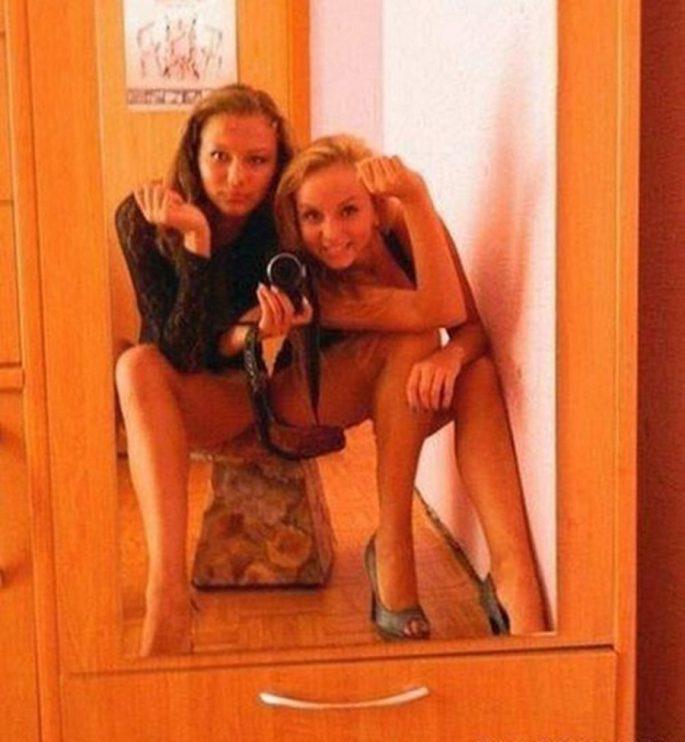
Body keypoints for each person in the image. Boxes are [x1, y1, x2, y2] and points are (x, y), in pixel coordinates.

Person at [115, 86, 465, 655]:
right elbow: (174, 349)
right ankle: (167, 591)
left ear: (277, 161)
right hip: (194, 387)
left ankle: (395, 549)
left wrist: (264, 333)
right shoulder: (143, 217)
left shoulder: (285, 226)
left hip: (265, 388)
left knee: (421, 342)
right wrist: (197, 242)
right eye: (220, 156)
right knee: (135, 365)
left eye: (257, 160)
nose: (237, 177)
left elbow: (426, 312)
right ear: (193, 152)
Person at [273, 134, 548, 635]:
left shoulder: (408, 226)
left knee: (478, 375)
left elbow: (470, 328)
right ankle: (393, 544)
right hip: (312, 397)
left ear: (377, 208)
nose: (331, 233)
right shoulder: (314, 282)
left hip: (397, 391)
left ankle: (513, 569)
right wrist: (418, 195)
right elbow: (434, 312)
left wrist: (451, 355)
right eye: (312, 216)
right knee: (415, 338)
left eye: (349, 210)